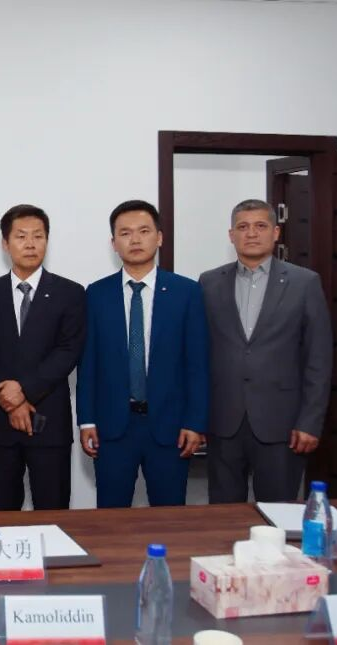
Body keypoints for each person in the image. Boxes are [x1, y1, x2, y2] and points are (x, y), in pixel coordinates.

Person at [76, 200, 209, 507]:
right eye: (125, 233)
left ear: (159, 237)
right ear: (113, 243)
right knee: (111, 515)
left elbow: (197, 364)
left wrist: (195, 421)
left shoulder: (186, 292)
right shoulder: (97, 293)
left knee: (169, 514)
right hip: (113, 426)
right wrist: (86, 420)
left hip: (170, 426)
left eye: (144, 231)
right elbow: (88, 363)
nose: (135, 240)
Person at [200, 199, 332, 503]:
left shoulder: (304, 283)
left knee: (277, 513)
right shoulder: (209, 282)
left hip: (282, 423)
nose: (251, 233)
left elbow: (319, 359)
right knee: (223, 514)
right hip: (223, 421)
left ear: (275, 232)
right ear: (231, 235)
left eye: (260, 226)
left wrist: (310, 422)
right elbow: (198, 354)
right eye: (243, 227)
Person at [0, 204, 86, 511]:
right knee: (3, 511)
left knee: (53, 510)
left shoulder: (70, 292)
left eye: (38, 236)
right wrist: (10, 399)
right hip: (0, 421)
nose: (30, 244)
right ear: (5, 243)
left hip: (49, 421)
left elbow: (68, 350)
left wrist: (22, 390)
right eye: (21, 236)